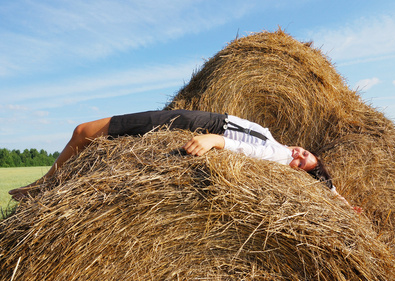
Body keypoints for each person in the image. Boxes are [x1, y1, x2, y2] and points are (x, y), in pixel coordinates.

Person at [9, 109, 349, 207]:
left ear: (294, 170)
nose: (300, 153)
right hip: (202, 121)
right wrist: (338, 198)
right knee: (83, 131)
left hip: (198, 124)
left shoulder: (275, 154)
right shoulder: (279, 144)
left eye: (301, 161)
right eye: (306, 153)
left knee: (84, 130)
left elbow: (251, 150)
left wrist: (215, 139)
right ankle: (47, 185)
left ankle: (44, 186)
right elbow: (322, 178)